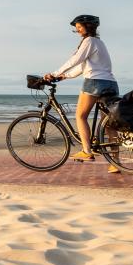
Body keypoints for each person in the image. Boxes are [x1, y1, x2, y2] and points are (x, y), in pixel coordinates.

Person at [44, 14, 120, 172]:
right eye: (76, 28)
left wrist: (55, 73)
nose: (78, 30)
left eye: (80, 27)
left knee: (80, 116)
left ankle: (87, 151)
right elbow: (83, 66)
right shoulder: (99, 43)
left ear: (88, 27)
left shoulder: (89, 41)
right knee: (109, 123)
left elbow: (76, 60)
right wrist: (65, 76)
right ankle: (115, 163)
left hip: (95, 82)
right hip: (111, 84)